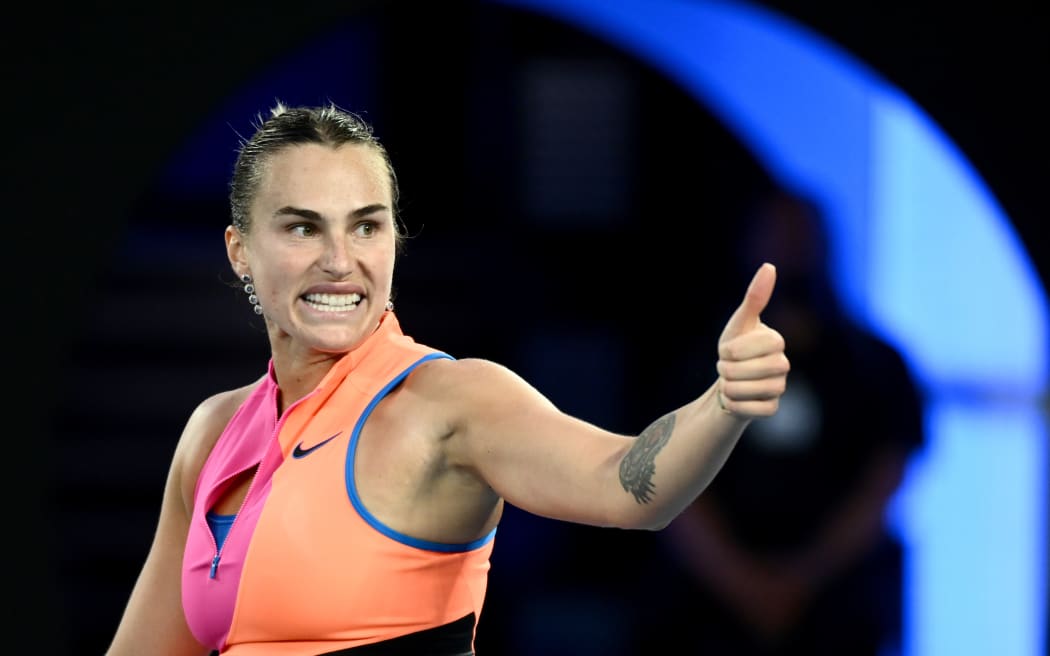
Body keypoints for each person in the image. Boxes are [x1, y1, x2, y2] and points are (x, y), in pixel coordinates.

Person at [104, 101, 790, 656]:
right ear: (241, 252)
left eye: (366, 227)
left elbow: (628, 483)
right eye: (303, 229)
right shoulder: (214, 433)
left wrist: (724, 401)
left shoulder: (448, 403)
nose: (340, 261)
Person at [652, 188, 924, 655]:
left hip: (838, 607)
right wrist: (741, 581)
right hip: (714, 610)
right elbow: (664, 476)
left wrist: (802, 578)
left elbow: (886, 479)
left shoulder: (875, 365)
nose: (789, 249)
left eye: (801, 235)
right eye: (776, 235)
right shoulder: (700, 360)